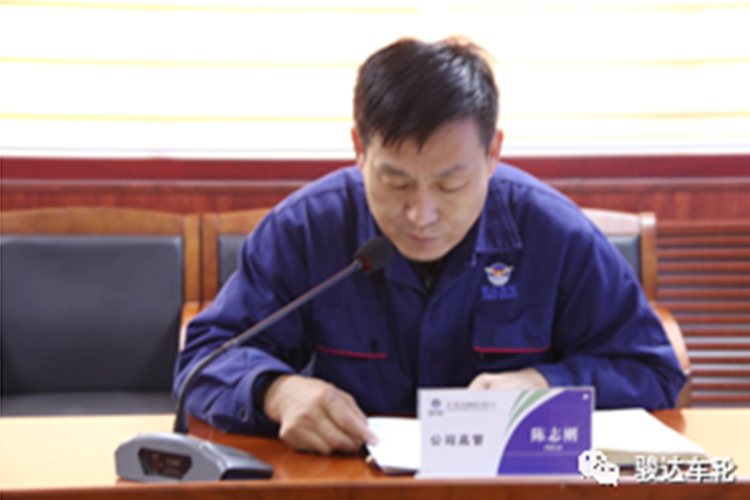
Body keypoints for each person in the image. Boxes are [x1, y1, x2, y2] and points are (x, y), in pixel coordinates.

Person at [175, 37, 686, 455]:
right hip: (351, 484)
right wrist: (275, 391)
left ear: (493, 153)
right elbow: (203, 359)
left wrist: (546, 385)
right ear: (358, 149)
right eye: (396, 182)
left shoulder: (555, 234)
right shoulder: (307, 229)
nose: (421, 214)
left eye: (450, 185)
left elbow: (652, 370)